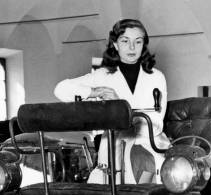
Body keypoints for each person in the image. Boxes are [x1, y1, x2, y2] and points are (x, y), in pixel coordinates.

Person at [54, 18, 169, 184]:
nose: (131, 47)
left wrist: (120, 106)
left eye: (138, 42)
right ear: (115, 44)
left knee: (147, 180)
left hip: (150, 145)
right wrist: (93, 91)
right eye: (125, 41)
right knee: (105, 192)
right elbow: (61, 89)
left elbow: (156, 123)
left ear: (143, 45)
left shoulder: (156, 77)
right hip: (112, 148)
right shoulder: (103, 76)